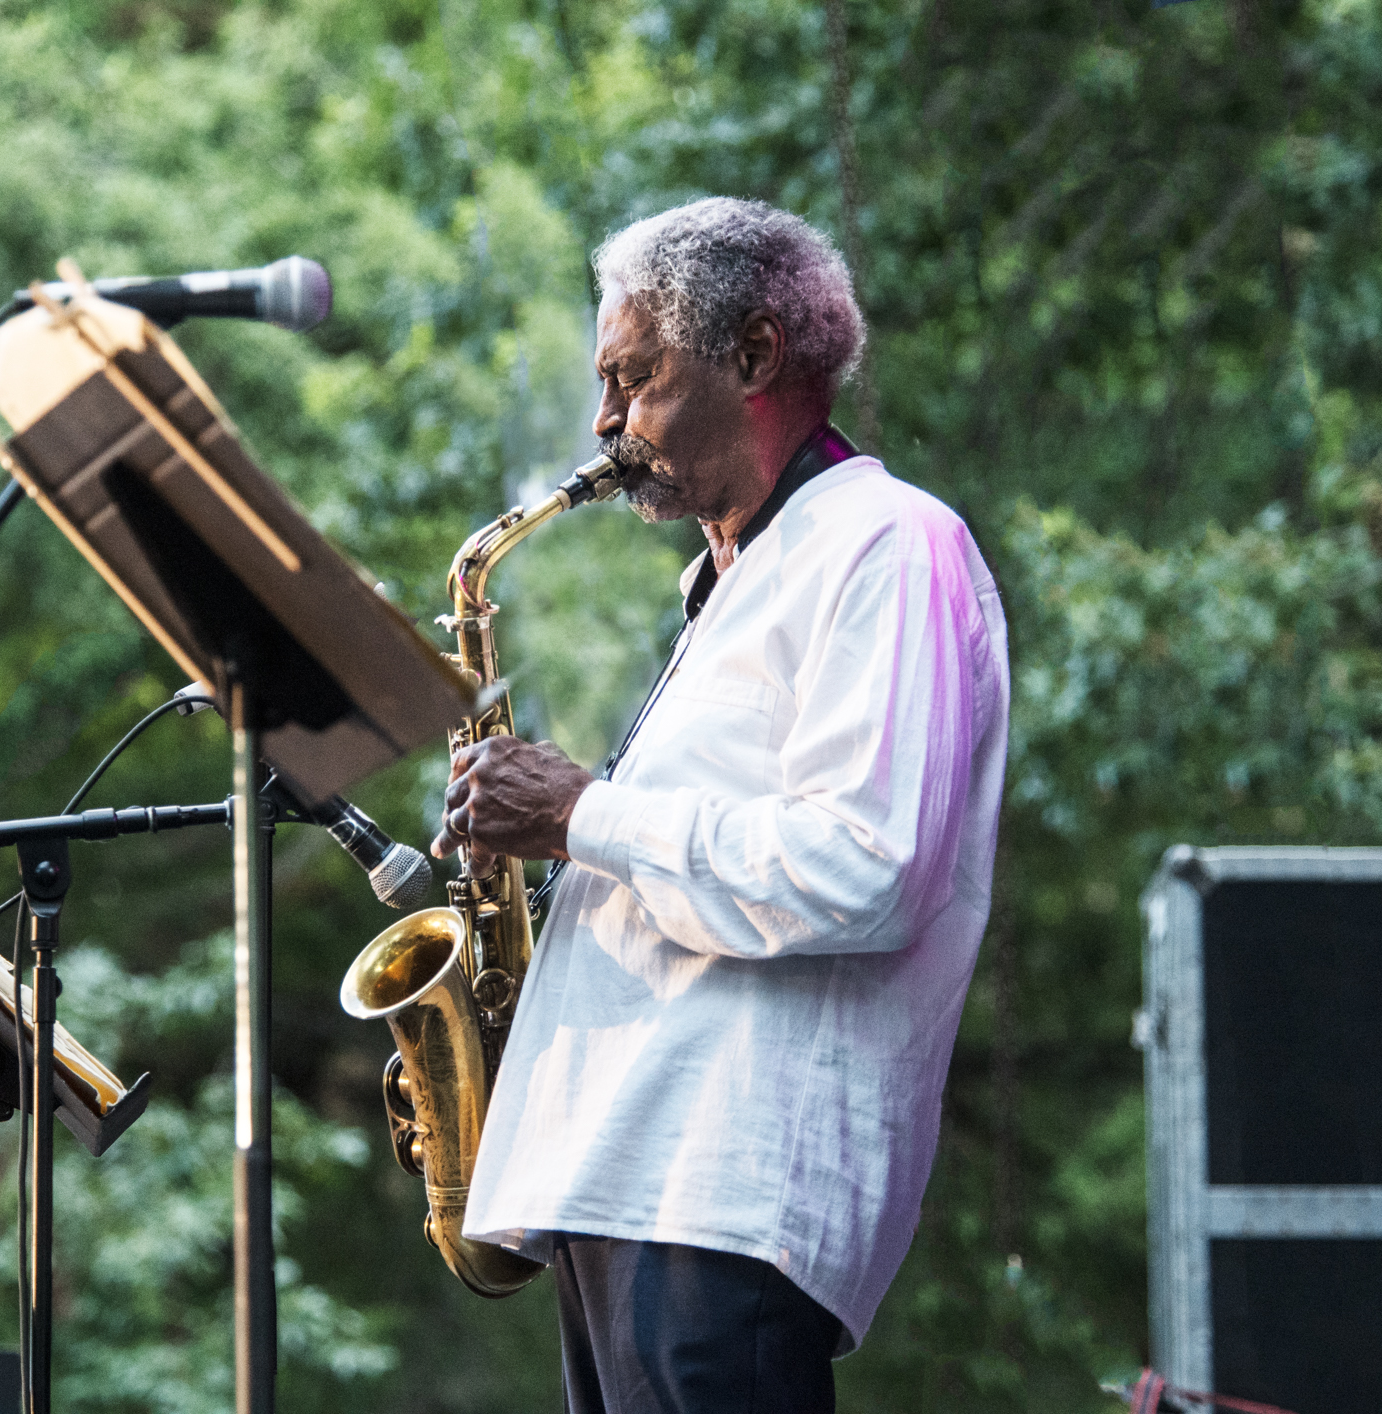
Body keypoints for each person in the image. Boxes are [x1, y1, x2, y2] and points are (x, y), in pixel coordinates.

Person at [428, 197, 1010, 1413]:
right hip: (636, 1182)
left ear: (750, 356)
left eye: (632, 376)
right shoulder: (738, 576)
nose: (604, 423)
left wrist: (586, 814)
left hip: (722, 1187)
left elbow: (868, 866)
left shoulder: (892, 543)